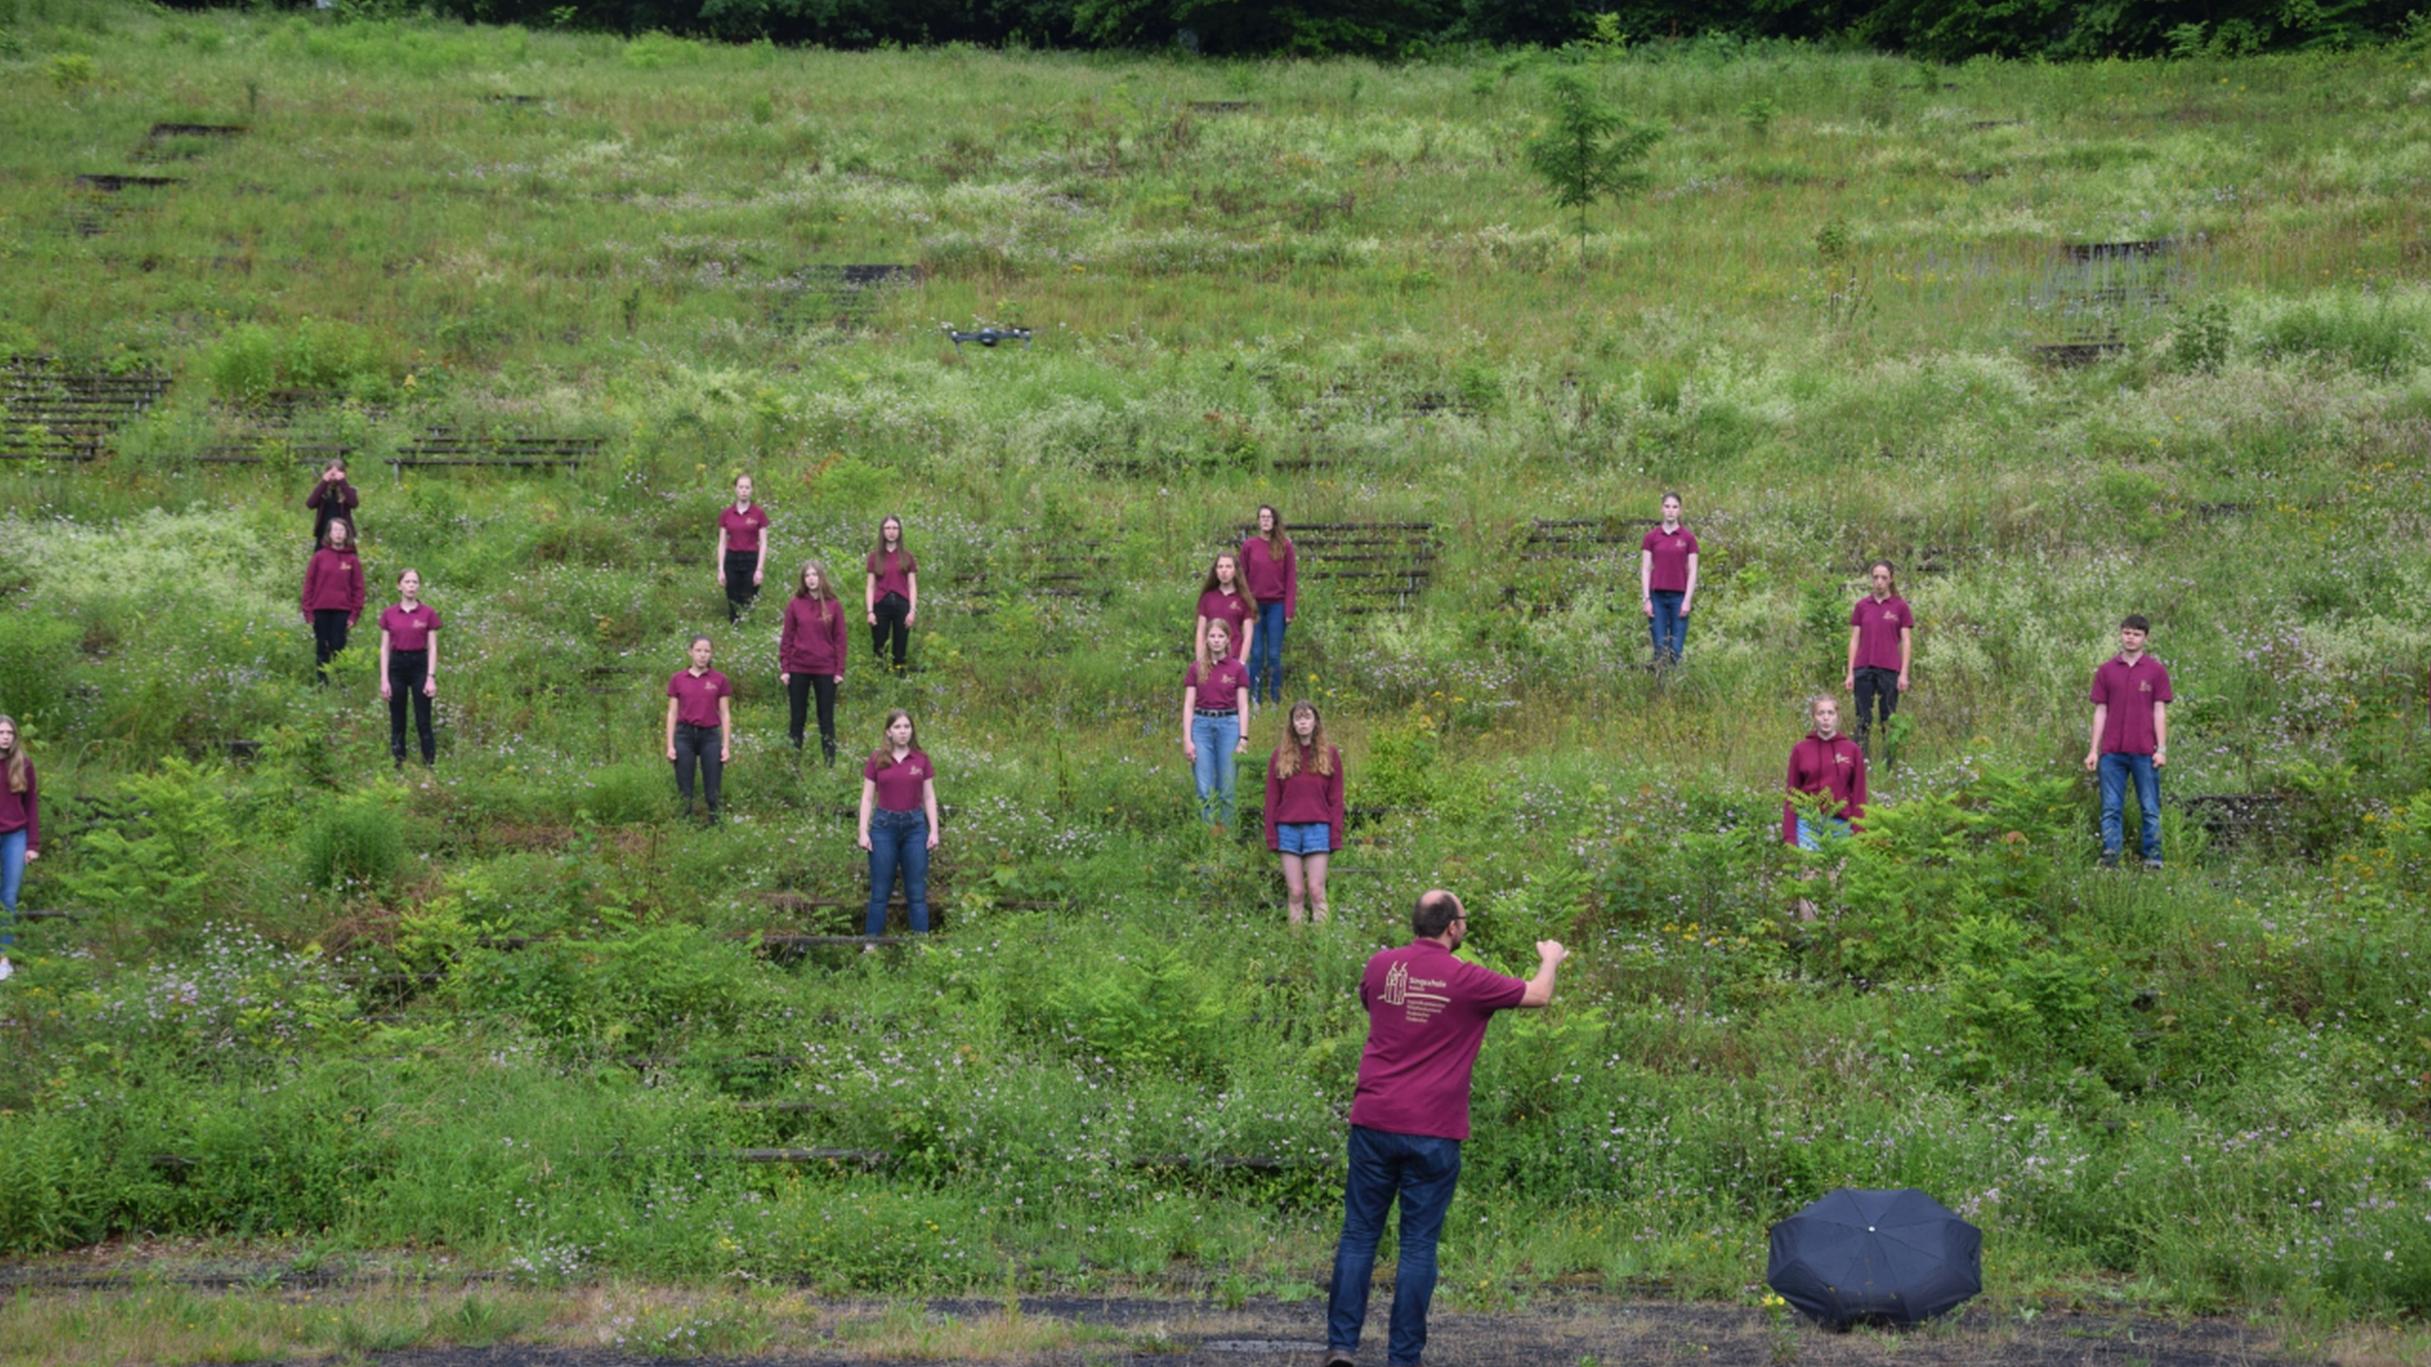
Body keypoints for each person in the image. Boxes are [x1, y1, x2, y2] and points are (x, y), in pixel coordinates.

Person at [1323, 890, 1568, 1367]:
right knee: (1417, 1244)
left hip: (1374, 1120)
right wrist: (1551, 957)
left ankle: (1342, 1347)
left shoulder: (1381, 966)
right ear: (1452, 928)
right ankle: (1403, 1357)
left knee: (1358, 1235)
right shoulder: (1467, 978)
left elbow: (1376, 1008)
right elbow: (1538, 995)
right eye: (1464, 919)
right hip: (1434, 1128)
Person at [2086, 614, 2172, 869]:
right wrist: (2093, 750)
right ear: (2121, 634)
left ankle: (2153, 857)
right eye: (2127, 633)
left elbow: (2159, 711)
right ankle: (2111, 856)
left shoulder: (2155, 671)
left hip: (2145, 751)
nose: (2130, 638)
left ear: (2145, 638)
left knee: (2150, 807)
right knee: (2111, 808)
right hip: (2112, 752)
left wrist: (2162, 749)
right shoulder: (2106, 670)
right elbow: (2100, 711)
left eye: (2136, 634)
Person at [857, 710, 940, 937]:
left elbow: (929, 797)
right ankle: (872, 944)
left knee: (916, 891)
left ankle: (920, 944)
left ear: (911, 730)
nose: (903, 731)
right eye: (897, 727)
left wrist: (934, 830)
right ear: (888, 732)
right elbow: (866, 798)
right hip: (884, 827)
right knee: (880, 891)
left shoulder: (921, 759)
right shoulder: (877, 759)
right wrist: (863, 831)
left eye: (906, 726)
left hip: (914, 827)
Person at [1264, 700, 1344, 926]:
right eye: (1298, 718)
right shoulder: (1279, 756)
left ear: (1315, 722)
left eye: (1307, 717)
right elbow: (1271, 799)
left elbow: (1336, 799)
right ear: (1292, 724)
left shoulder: (1330, 755)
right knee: (1296, 892)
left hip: (1318, 828)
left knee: (1317, 891)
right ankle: (1296, 945)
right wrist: (1272, 836)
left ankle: (1322, 946)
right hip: (1287, 828)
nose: (1302, 722)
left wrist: (1335, 835)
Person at [1182, 618, 1251, 833]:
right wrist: (1187, 739)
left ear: (1228, 639)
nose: (1216, 640)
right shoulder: (1196, 668)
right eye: (1212, 636)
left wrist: (1243, 737)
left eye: (1220, 636)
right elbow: (1188, 705)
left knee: (1227, 788)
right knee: (1204, 788)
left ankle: (1227, 837)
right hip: (1201, 726)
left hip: (1228, 725)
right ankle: (1208, 836)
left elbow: (1243, 706)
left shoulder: (1237, 669)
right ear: (1206, 639)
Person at [779, 560, 849, 765]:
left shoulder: (834, 604)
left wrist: (839, 670)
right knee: (797, 719)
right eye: (807, 575)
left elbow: (840, 639)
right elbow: (787, 637)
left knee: (826, 719)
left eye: (814, 575)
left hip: (826, 669)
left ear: (821, 577)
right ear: (803, 579)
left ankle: (829, 764)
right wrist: (785, 668)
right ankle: (794, 763)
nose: (811, 579)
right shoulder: (795, 603)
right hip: (798, 667)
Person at [1843, 561, 1913, 753]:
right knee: (1862, 718)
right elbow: (1854, 640)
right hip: (1863, 668)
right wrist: (1850, 673)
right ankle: (1861, 762)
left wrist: (1904, 674)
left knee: (1888, 718)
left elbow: (1905, 641)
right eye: (1875, 577)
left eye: (1883, 577)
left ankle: (1889, 763)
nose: (1879, 582)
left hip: (1889, 668)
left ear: (1891, 579)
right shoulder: (1862, 606)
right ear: (1871, 579)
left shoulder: (1900, 607)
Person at [1783, 695, 1866, 849]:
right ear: (1814, 717)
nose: (1826, 718)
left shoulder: (1851, 750)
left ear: (1837, 717)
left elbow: (1859, 794)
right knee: (1810, 871)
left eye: (1830, 713)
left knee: (1838, 871)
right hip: (1808, 822)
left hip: (1840, 823)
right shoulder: (1801, 750)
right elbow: (1791, 794)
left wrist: (1859, 831)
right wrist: (1789, 835)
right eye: (1821, 713)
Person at [377, 569, 441, 768]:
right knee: (398, 718)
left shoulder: (427, 613)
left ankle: (429, 764)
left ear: (419, 586)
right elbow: (385, 647)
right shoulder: (389, 613)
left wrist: (431, 677)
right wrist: (384, 679)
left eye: (415, 582)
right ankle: (399, 762)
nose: (411, 585)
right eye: (407, 582)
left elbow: (432, 647)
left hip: (419, 665)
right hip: (396, 666)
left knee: (423, 718)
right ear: (399, 586)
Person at [665, 635, 733, 821]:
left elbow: (725, 713)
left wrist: (726, 746)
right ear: (690, 652)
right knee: (685, 791)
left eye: (707, 651)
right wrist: (670, 745)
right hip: (684, 734)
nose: (702, 655)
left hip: (709, 735)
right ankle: (685, 828)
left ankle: (716, 826)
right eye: (698, 650)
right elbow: (672, 713)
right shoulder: (678, 679)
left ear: (711, 654)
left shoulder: (719, 680)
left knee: (712, 791)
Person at [1241, 505, 1297, 707]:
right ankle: (1255, 699)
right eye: (1262, 517)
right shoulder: (1249, 546)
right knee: (1255, 654)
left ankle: (1274, 700)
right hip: (1255, 606)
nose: (1265, 520)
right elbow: (1242, 579)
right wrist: (1244, 607)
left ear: (1274, 521)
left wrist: (1289, 610)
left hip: (1277, 606)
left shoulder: (1285, 546)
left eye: (1269, 517)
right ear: (1258, 521)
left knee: (1273, 655)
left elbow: (1291, 580)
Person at [300, 519, 365, 686]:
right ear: (329, 533)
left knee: (338, 646)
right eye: (335, 530)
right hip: (320, 609)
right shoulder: (319, 557)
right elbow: (309, 584)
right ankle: (322, 683)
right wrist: (308, 611)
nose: (338, 533)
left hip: (342, 610)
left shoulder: (352, 559)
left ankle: (341, 683)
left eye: (342, 530)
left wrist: (354, 615)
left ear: (347, 534)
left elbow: (358, 589)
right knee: (322, 646)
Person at [1638, 492, 1698, 666]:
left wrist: (1687, 600)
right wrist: (1646, 599)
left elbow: (1693, 570)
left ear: (1680, 510)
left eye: (1675, 507)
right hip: (1657, 597)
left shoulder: (1688, 538)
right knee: (1659, 648)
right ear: (1661, 509)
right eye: (1667, 506)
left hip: (1679, 597)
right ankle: (1659, 688)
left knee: (1676, 650)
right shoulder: (1651, 537)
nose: (1671, 511)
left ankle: (1675, 689)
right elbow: (1645, 569)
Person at [0, 715, 37, 984]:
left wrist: (32, 844)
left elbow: (32, 806)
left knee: (9, 898)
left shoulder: (23, 764)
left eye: (9, 733)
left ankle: (4, 958)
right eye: (1, 732)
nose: (5, 737)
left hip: (16, 836)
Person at [865, 515, 918, 675]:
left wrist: (912, 610)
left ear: (900, 531)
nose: (891, 532)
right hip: (880, 604)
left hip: (902, 604)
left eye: (895, 528)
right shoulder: (874, 557)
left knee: (900, 647)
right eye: (888, 528)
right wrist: (870, 611)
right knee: (879, 646)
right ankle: (879, 680)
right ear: (882, 531)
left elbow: (912, 585)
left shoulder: (907, 556)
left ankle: (899, 679)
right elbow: (870, 586)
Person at [716, 474, 769, 623]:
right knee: (732, 597)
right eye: (741, 487)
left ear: (752, 490)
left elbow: (763, 542)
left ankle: (748, 628)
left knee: (749, 597)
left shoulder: (758, 513)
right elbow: (722, 543)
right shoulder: (726, 514)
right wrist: (720, 568)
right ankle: (734, 628)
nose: (744, 490)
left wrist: (760, 569)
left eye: (747, 487)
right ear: (735, 489)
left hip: (751, 558)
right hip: (731, 558)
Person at [1195, 551, 1257, 674]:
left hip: (1234, 659)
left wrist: (1242, 662)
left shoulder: (1244, 600)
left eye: (1228, 566)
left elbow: (1248, 634)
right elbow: (1200, 632)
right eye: (1220, 566)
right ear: (1216, 571)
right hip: (1210, 660)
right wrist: (1200, 660)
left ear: (1235, 571)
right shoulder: (1207, 598)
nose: (1224, 570)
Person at [305, 457, 358, 548]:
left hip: (343, 533)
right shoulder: (322, 490)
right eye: (332, 474)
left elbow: (353, 503)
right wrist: (324, 481)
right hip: (324, 533)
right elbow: (310, 504)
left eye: (337, 474)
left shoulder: (348, 490)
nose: (334, 477)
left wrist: (342, 482)